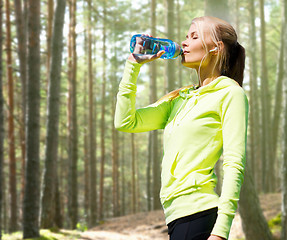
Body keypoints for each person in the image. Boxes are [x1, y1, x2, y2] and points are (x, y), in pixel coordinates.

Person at [114, 16, 249, 240]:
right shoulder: (180, 98)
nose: (184, 43)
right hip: (176, 217)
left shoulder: (230, 93)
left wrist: (221, 232)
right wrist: (133, 66)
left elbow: (234, 163)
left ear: (216, 48)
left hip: (199, 215)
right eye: (186, 37)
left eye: (194, 37)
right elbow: (126, 121)